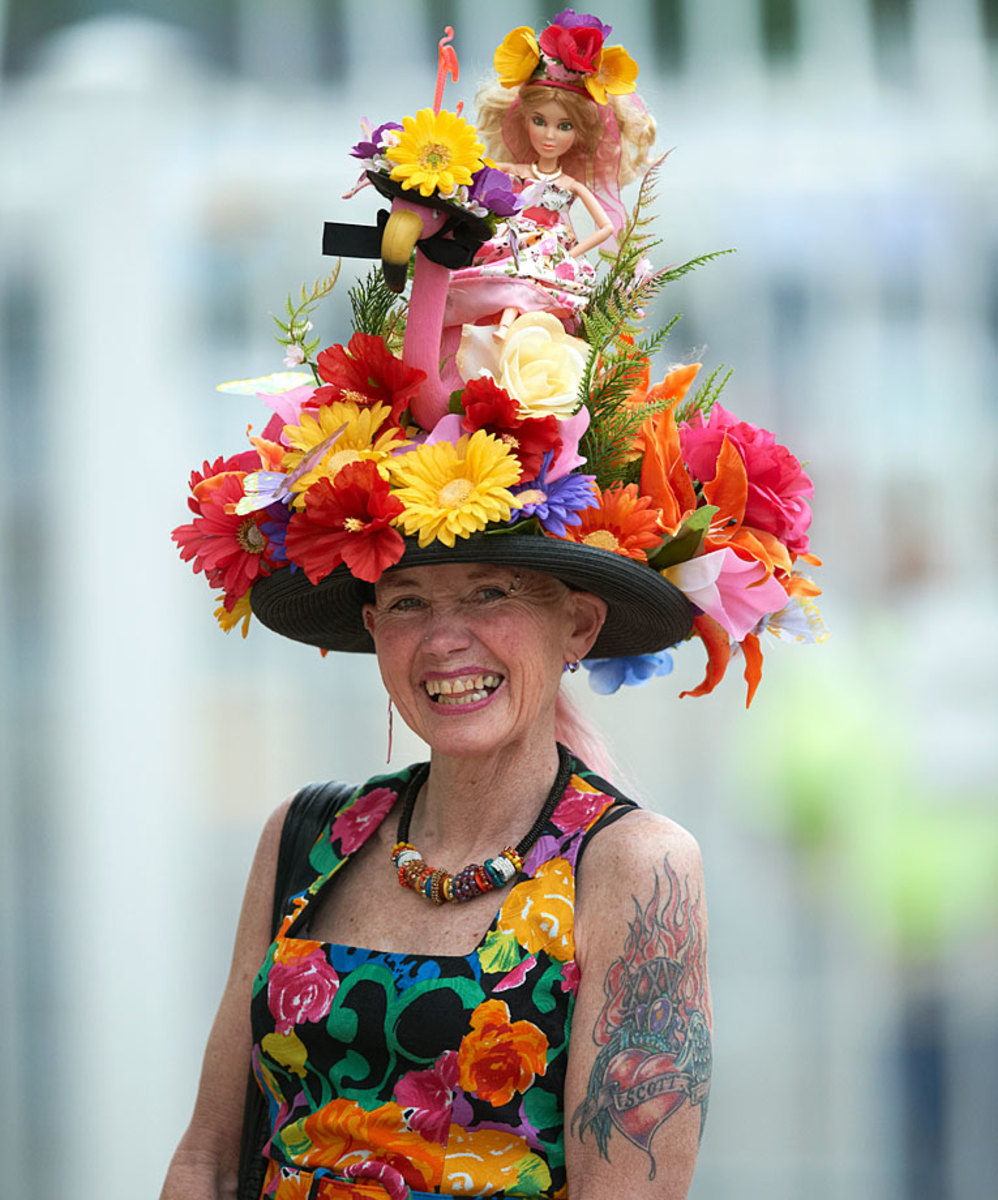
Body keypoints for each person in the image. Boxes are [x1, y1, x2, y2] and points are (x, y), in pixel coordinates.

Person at [164, 11, 821, 1200]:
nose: (445, 638)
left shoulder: (635, 867)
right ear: (369, 625)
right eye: (407, 598)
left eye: (489, 592)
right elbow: (210, 1157)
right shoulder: (303, 837)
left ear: (577, 625)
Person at [444, 32, 656, 336]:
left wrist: (570, 254)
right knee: (501, 277)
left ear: (580, 135)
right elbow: (475, 175)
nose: (549, 136)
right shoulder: (514, 171)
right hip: (512, 239)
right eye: (539, 121)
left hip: (547, 248)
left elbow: (606, 227)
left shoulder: (570, 184)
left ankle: (508, 328)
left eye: (564, 126)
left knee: (529, 279)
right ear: (523, 121)